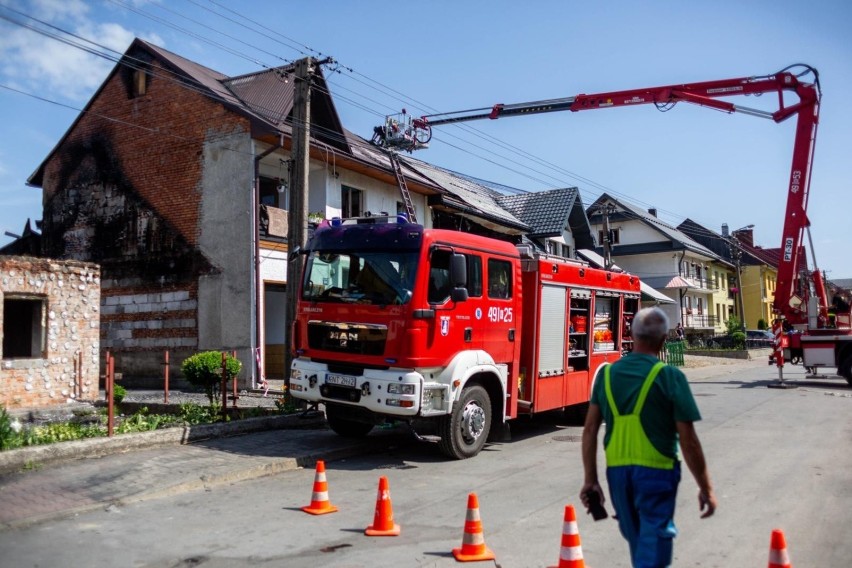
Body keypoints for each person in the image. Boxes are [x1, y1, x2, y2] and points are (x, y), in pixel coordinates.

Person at [581, 306, 716, 568]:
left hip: (618, 475)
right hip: (657, 473)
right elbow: (688, 441)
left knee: (638, 542)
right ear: (664, 339)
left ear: (632, 336)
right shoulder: (670, 377)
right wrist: (706, 488)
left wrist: (591, 480)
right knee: (653, 545)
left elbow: (589, 431)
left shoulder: (606, 375)